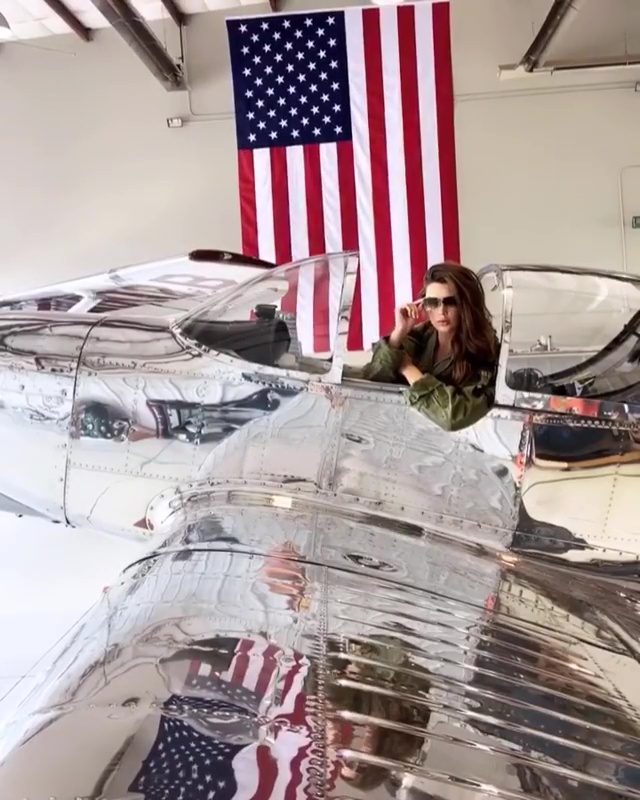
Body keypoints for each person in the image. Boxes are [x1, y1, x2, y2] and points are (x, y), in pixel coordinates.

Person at [362, 262, 499, 432]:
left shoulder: (484, 353)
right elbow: (373, 380)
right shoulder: (420, 337)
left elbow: (452, 416)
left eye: (451, 302)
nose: (441, 311)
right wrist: (398, 334)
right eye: (432, 302)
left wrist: (408, 368)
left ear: (466, 305)